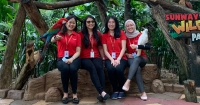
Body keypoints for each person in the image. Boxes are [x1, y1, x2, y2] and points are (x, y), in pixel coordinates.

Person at [51, 15, 81, 104]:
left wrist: (71, 59)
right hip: (62, 58)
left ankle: (75, 94)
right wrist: (56, 38)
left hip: (74, 57)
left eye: (73, 23)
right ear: (66, 23)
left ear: (75, 24)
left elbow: (78, 51)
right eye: (70, 22)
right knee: (65, 68)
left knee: (72, 69)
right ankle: (65, 94)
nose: (71, 24)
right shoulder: (60, 33)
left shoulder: (77, 35)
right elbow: (52, 40)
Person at [79, 15, 110, 101]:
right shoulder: (80, 34)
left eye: (92, 21)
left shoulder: (98, 33)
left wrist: (103, 58)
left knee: (100, 68)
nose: (91, 23)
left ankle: (101, 94)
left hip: (96, 56)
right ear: (85, 23)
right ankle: (102, 91)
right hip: (84, 57)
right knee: (92, 68)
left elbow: (100, 47)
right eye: (88, 22)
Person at [122, 19, 151, 101]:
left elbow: (148, 47)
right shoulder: (124, 36)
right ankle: (143, 93)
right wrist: (127, 54)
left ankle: (128, 82)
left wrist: (137, 47)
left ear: (134, 25)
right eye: (127, 26)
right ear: (125, 27)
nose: (129, 27)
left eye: (131, 25)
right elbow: (121, 49)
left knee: (137, 59)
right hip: (131, 58)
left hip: (142, 58)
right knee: (137, 69)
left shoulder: (141, 34)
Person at [102, 16, 127, 100]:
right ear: (107, 24)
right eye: (109, 22)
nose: (111, 24)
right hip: (109, 58)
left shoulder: (121, 33)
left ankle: (121, 90)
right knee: (110, 69)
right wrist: (112, 60)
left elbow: (123, 48)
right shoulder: (104, 35)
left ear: (116, 23)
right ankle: (115, 90)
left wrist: (118, 59)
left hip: (121, 57)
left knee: (119, 69)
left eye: (113, 22)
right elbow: (105, 51)